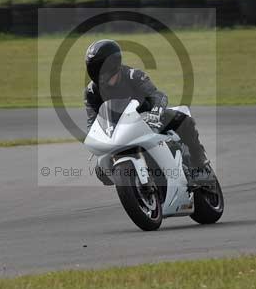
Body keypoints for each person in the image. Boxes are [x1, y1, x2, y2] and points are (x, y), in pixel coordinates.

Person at [83, 39, 214, 185]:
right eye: (94, 68)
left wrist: (155, 112)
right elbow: (92, 123)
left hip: (148, 120)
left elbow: (157, 95)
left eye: (101, 68)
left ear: (113, 64)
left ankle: (199, 162)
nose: (99, 73)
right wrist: (96, 140)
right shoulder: (91, 91)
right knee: (101, 171)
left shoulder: (132, 75)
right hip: (119, 132)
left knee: (183, 119)